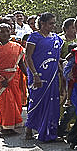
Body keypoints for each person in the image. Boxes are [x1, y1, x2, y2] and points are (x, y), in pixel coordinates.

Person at [23, 12, 63, 142]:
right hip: (38, 75)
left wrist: (61, 72)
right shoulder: (34, 37)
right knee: (36, 100)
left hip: (52, 75)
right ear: (42, 23)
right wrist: (35, 75)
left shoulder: (56, 38)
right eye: (51, 23)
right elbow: (28, 57)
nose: (53, 25)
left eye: (54, 23)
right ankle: (29, 129)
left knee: (52, 102)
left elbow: (57, 58)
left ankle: (49, 131)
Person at [0, 23, 27, 135]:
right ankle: (6, 128)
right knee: (6, 102)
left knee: (15, 100)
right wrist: (0, 78)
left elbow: (21, 64)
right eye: (2, 31)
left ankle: (9, 123)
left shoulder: (17, 47)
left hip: (14, 77)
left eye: (7, 31)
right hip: (0, 78)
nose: (5, 34)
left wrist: (29, 75)